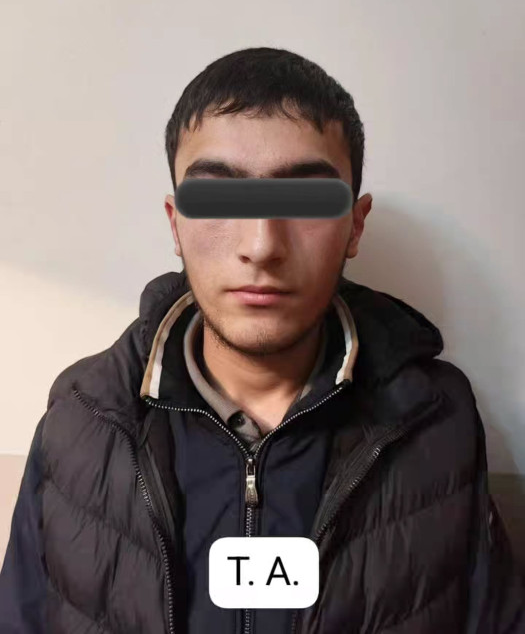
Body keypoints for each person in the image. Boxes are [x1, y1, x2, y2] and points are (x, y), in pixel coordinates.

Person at [1, 47, 524, 634]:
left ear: (355, 226)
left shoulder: (437, 422)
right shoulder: (81, 419)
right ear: (176, 224)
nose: (261, 246)